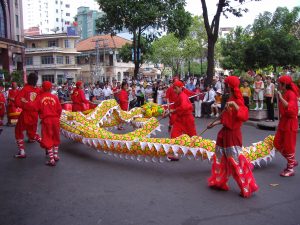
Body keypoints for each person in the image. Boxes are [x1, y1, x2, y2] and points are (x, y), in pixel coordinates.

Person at [207, 76, 258, 198]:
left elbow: (244, 115)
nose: (224, 86)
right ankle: (219, 182)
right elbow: (224, 119)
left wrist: (235, 105)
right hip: (224, 134)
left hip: (233, 135)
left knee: (235, 162)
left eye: (226, 84)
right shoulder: (229, 97)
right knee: (220, 159)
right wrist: (212, 124)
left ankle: (246, 187)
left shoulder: (237, 99)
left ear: (229, 86)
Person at [22, 81, 62, 166]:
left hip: (47, 120)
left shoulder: (40, 97)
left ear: (43, 88)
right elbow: (59, 110)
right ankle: (55, 155)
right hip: (55, 120)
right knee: (56, 136)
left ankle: (51, 160)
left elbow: (33, 107)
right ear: (50, 88)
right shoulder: (55, 97)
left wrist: (25, 101)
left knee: (47, 137)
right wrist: (56, 117)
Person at [274, 75, 299, 177]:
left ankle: (290, 168)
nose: (278, 85)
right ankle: (291, 160)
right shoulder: (285, 93)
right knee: (277, 143)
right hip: (284, 122)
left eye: (279, 83)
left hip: (290, 123)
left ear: (284, 85)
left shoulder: (291, 94)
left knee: (289, 146)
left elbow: (292, 110)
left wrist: (280, 98)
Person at [167, 80, 197, 161]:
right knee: (174, 134)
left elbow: (183, 107)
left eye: (175, 88)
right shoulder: (179, 96)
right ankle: (174, 153)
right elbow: (175, 107)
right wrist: (170, 112)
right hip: (180, 119)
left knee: (193, 137)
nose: (174, 90)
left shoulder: (183, 96)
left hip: (187, 119)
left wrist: (174, 110)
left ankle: (201, 151)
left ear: (181, 88)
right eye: (173, 88)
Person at [14, 73, 41, 158]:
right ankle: (48, 147)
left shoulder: (25, 89)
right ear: (36, 81)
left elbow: (17, 101)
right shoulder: (39, 91)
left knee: (18, 131)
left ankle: (22, 151)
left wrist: (25, 103)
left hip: (26, 114)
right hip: (35, 115)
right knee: (33, 134)